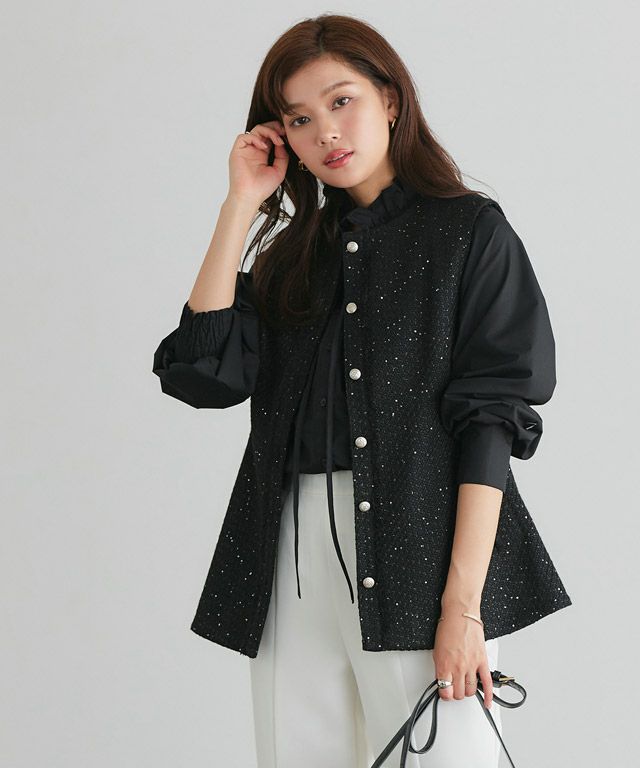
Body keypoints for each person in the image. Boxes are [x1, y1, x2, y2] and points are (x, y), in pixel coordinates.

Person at [152, 13, 572, 768]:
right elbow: (203, 375)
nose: (325, 132)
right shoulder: (288, 261)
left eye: (341, 101)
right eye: (298, 119)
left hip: (421, 545)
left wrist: (463, 606)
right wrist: (239, 206)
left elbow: (493, 420)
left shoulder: (469, 232)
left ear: (390, 100)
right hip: (288, 556)